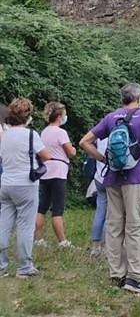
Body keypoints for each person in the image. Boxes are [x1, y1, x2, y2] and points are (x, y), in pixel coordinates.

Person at [79, 83, 140, 294]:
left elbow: (85, 141)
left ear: (123, 98)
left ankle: (117, 274)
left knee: (114, 226)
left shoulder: (111, 118)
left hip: (113, 178)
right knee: (136, 226)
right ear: (138, 98)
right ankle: (135, 278)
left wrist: (103, 159)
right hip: (136, 177)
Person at [0, 98, 52, 278]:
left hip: (6, 183)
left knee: (4, 225)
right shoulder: (30, 135)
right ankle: (24, 267)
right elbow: (46, 155)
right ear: (28, 116)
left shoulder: (3, 135)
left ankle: (1, 267)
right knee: (25, 225)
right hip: (26, 184)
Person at [34, 101, 77, 248]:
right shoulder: (61, 132)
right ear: (59, 116)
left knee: (42, 205)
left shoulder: (44, 131)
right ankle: (62, 241)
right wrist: (74, 151)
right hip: (58, 171)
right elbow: (69, 151)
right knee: (57, 207)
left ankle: (38, 239)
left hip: (45, 170)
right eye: (64, 114)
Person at [90, 138, 109, 257]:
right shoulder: (119, 133)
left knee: (100, 211)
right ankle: (106, 246)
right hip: (112, 177)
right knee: (111, 214)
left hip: (99, 176)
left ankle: (95, 246)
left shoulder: (99, 136)